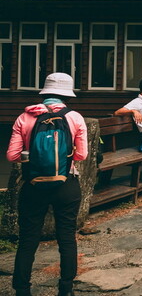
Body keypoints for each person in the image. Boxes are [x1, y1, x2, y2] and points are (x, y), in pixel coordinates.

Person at [6, 72, 88, 296]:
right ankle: (65, 288)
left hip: (34, 186)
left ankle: (22, 289)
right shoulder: (75, 117)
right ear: (66, 96)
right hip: (66, 185)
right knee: (67, 237)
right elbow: (82, 155)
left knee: (28, 239)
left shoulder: (25, 117)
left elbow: (12, 155)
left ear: (45, 92)